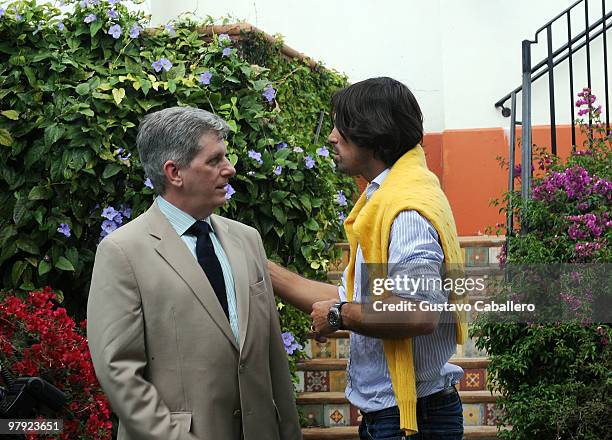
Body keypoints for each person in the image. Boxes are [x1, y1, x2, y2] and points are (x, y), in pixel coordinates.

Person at [268, 77, 468, 439]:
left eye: (341, 127)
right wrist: (257, 267)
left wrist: (339, 315)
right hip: (399, 415)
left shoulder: (404, 212)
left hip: (411, 421)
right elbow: (357, 301)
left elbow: (418, 313)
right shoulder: (387, 199)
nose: (331, 137)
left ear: (373, 133)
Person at [87, 106, 302, 440]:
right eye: (215, 160)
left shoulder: (248, 240)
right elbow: (119, 373)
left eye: (225, 158)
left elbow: (272, 353)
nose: (229, 170)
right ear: (174, 172)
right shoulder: (122, 251)